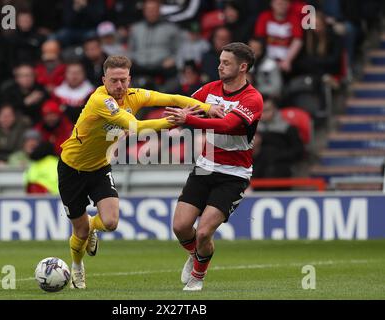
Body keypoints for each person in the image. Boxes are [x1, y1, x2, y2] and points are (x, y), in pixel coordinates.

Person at [58, 55, 224, 289]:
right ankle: (77, 266)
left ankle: (93, 227)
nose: (119, 86)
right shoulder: (100, 101)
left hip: (99, 167)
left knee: (111, 222)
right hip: (71, 168)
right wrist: (173, 122)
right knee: (80, 230)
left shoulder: (134, 95)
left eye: (123, 80)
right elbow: (134, 126)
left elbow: (172, 97)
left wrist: (207, 107)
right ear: (103, 79)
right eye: (114, 80)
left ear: (129, 78)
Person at [165, 42, 263, 291]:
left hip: (233, 174)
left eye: (226, 62)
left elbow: (228, 125)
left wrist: (189, 120)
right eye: (220, 60)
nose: (220, 65)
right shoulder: (210, 89)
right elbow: (185, 107)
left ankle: (198, 276)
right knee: (180, 226)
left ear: (243, 67)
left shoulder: (252, 98)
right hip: (205, 166)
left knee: (203, 233)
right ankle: (195, 255)